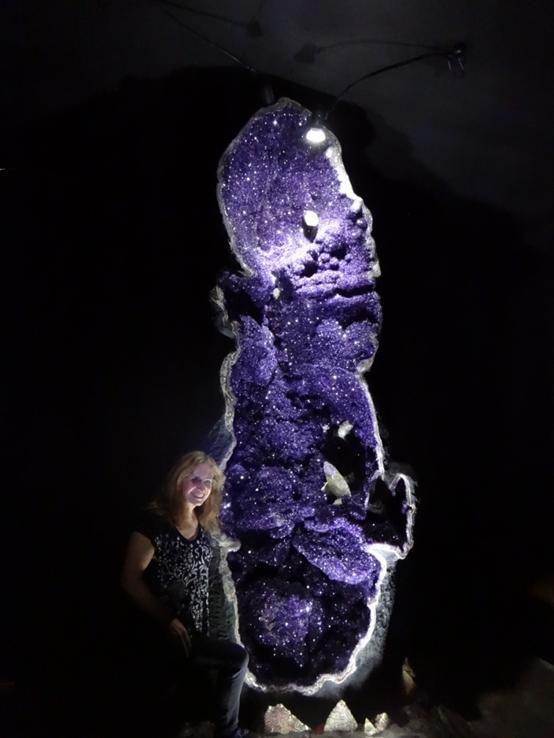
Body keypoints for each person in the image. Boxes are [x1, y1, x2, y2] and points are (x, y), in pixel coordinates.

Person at [121, 450, 249, 738]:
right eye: (195, 479)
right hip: (161, 634)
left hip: (196, 634)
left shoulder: (203, 528)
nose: (202, 488)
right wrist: (166, 619)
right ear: (179, 480)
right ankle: (228, 733)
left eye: (208, 482)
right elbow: (129, 580)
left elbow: (207, 582)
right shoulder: (154, 524)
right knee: (235, 660)